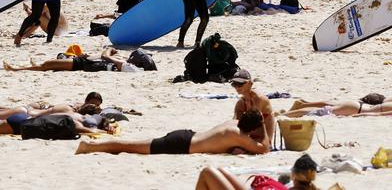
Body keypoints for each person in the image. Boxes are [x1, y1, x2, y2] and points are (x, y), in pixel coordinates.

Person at [75, 110, 269, 156]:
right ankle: (89, 146)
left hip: (185, 135)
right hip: (182, 145)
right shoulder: (239, 136)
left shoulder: (232, 124)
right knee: (129, 145)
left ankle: (91, 146)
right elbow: (264, 149)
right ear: (252, 128)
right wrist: (266, 126)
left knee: (134, 145)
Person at [4, 47, 155, 73]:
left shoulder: (129, 66)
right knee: (50, 65)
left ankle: (16, 69)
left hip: (83, 64)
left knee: (48, 65)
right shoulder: (129, 63)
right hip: (86, 62)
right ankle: (36, 66)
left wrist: (109, 50)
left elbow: (105, 55)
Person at [231, 69, 275, 140]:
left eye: (240, 84)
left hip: (263, 140)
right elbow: (235, 122)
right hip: (249, 138)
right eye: (234, 84)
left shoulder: (258, 99)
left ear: (250, 83)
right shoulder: (241, 102)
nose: (237, 87)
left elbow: (252, 123)